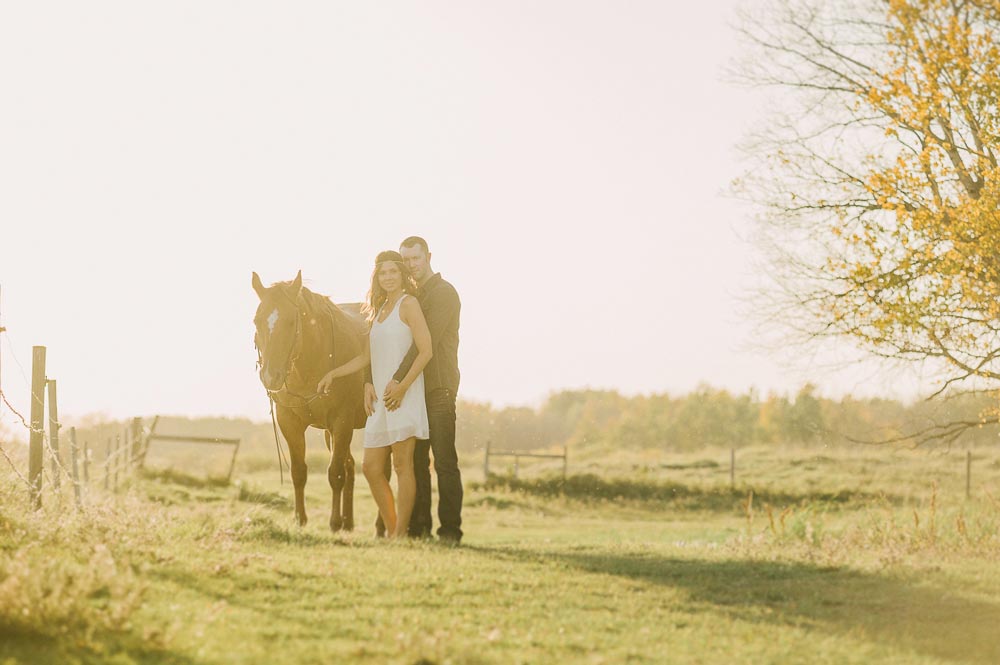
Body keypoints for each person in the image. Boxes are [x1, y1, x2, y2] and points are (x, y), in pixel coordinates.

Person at [318, 251, 433, 538]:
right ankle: (394, 526)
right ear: (377, 277)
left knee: (402, 465)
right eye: (383, 273)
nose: (388, 277)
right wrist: (334, 373)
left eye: (394, 271)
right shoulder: (377, 309)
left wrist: (403, 386)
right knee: (370, 467)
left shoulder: (409, 304)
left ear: (402, 275)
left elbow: (426, 350)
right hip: (381, 400)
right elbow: (365, 358)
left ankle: (399, 533)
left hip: (404, 395)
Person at [376, 236, 463, 543]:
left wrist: (397, 381)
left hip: (438, 387)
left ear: (428, 256)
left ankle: (450, 530)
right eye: (406, 260)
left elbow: (422, 346)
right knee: (416, 463)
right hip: (414, 390)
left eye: (416, 258)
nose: (411, 264)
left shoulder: (443, 294)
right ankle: (420, 528)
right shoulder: (409, 296)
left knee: (444, 461)